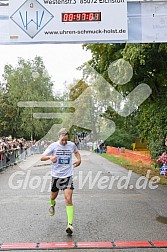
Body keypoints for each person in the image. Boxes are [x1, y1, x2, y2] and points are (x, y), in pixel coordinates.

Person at [41, 128, 81, 235]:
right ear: (59, 137)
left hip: (68, 175)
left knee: (68, 198)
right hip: (56, 176)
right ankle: (52, 205)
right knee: (53, 196)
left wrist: (79, 159)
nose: (64, 142)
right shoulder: (53, 146)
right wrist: (50, 157)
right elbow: (42, 157)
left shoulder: (71, 145)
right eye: (62, 140)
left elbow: (76, 152)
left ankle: (70, 224)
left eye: (66, 140)